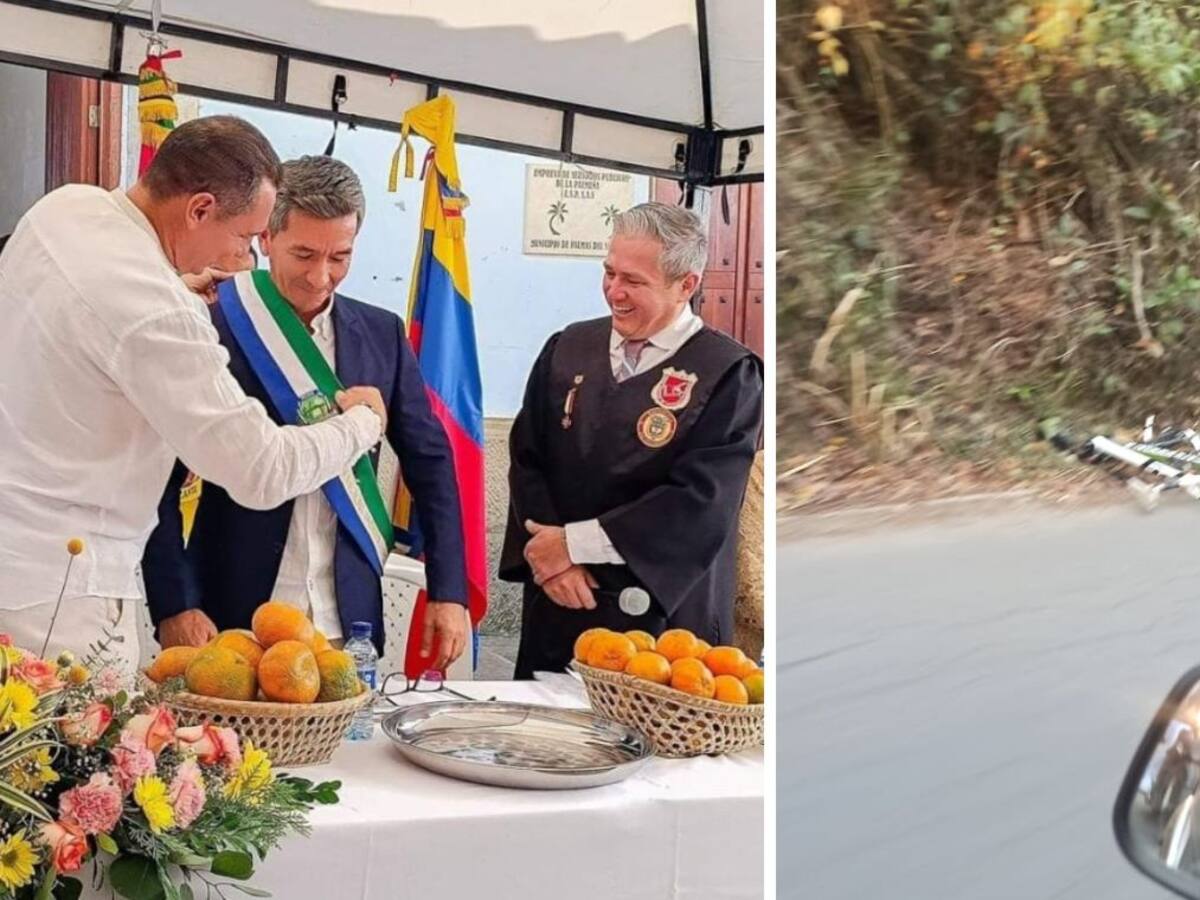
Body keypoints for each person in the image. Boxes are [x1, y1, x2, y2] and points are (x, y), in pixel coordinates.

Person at [0, 117, 388, 667]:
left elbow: (81, 322)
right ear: (200, 208)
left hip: (14, 550)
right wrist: (362, 423)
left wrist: (173, 293)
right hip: (61, 595)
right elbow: (260, 470)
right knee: (79, 750)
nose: (245, 260)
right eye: (244, 237)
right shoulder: (158, 312)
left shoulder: (64, 209)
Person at [142, 155, 468, 669]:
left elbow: (431, 464)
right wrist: (175, 601)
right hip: (232, 606)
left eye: (340, 256)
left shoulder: (381, 334)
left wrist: (450, 592)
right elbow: (154, 472)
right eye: (304, 254)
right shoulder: (215, 323)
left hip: (347, 615)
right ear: (265, 238)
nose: (321, 277)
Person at [500, 202, 764, 679]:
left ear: (687, 284)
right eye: (609, 273)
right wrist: (552, 561)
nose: (614, 292)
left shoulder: (727, 374)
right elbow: (527, 457)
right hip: (562, 606)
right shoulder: (568, 348)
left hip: (666, 627)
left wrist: (573, 545)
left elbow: (700, 502)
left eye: (634, 282)